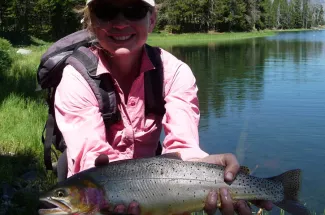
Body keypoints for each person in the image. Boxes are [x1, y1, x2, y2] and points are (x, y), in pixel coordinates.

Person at [54, 0, 273, 214]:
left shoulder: (175, 72)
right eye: (105, 10)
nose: (120, 23)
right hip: (102, 196)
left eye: (134, 10)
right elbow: (90, 156)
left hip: (158, 189)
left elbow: (182, 146)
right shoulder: (76, 78)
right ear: (91, 21)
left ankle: (272, 190)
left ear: (152, 19)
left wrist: (201, 165)